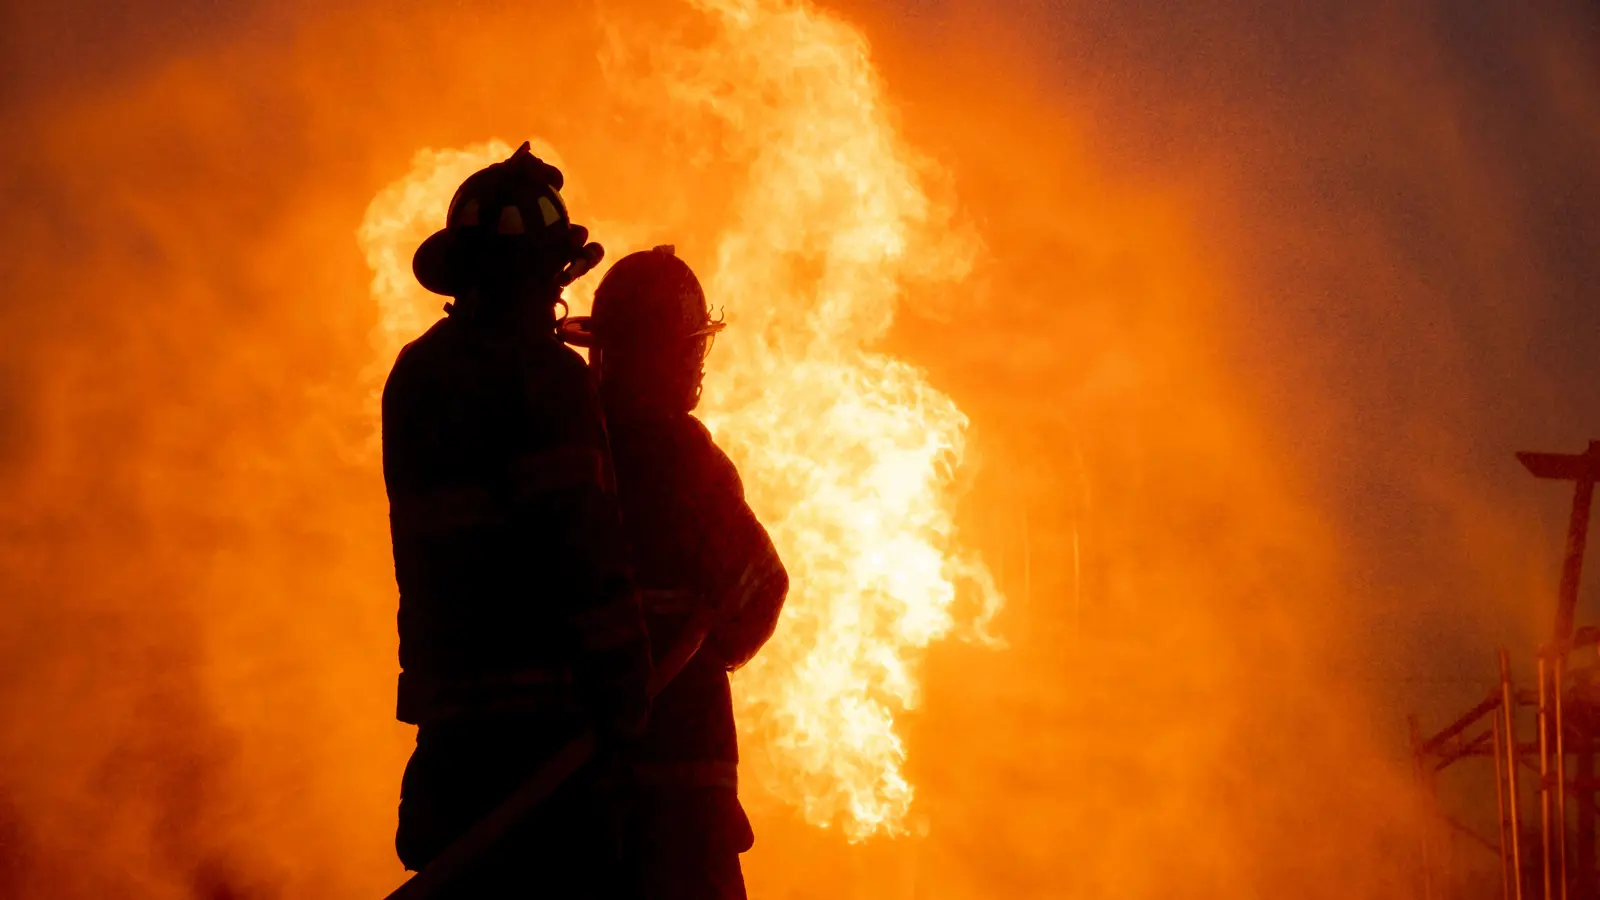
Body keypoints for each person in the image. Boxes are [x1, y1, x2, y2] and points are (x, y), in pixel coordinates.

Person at [382, 142, 652, 897]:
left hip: (452, 742)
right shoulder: (547, 378)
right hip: (547, 746)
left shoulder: (416, 377)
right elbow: (585, 549)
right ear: (549, 275)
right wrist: (629, 691)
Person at [560, 246, 789, 900]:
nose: (698, 366)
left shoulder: (563, 450)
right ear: (662, 356)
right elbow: (762, 590)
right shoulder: (689, 461)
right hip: (684, 801)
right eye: (691, 349)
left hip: (575, 801)